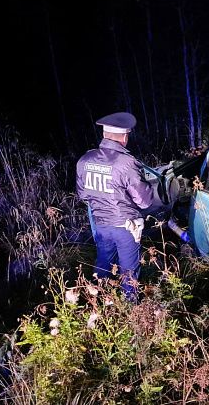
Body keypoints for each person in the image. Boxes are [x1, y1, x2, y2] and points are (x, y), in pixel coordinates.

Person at [76, 112, 154, 299]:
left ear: (105, 134)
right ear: (125, 137)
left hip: (101, 225)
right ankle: (130, 310)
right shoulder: (127, 163)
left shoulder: (85, 160)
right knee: (129, 272)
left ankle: (99, 302)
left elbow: (83, 195)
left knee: (103, 262)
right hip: (126, 227)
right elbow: (144, 201)